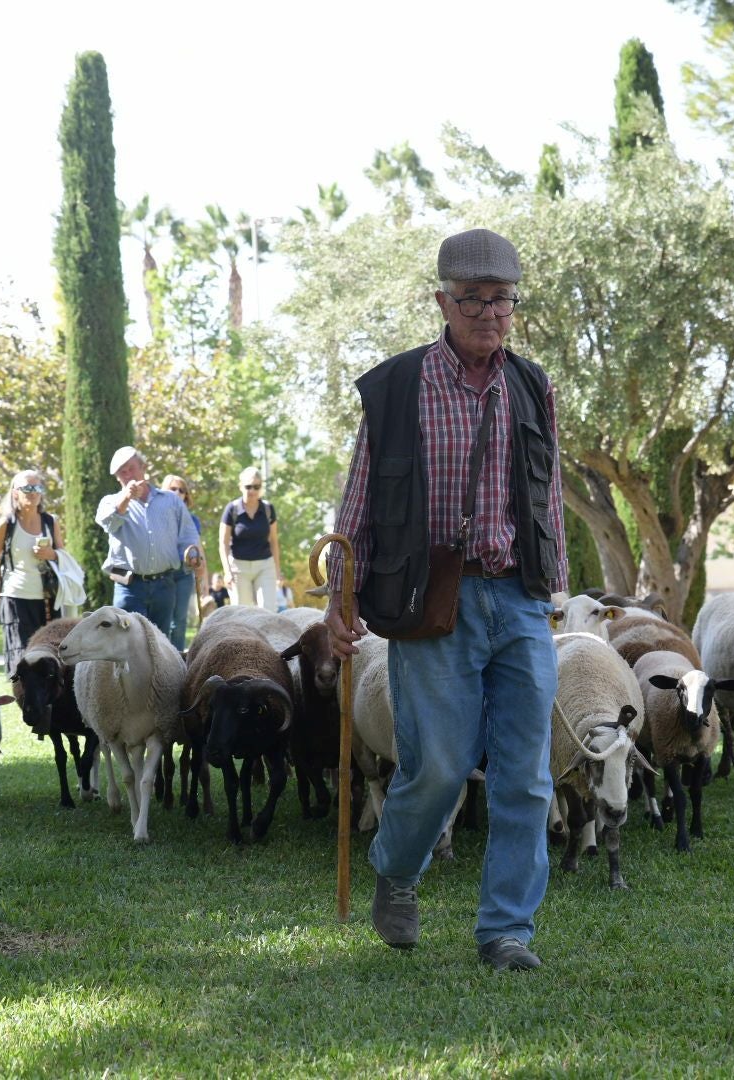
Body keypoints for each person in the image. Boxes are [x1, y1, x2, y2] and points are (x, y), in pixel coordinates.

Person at [324, 228, 567, 972]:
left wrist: (553, 588)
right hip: (430, 598)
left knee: (526, 775)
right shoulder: (398, 386)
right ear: (442, 301)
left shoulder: (532, 385)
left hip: (518, 597)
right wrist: (341, 598)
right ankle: (397, 868)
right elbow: (360, 499)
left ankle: (507, 929)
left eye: (502, 300)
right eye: (472, 300)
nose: (489, 313)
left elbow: (547, 493)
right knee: (437, 766)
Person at [96, 447, 201, 635]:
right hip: (129, 586)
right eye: (122, 472)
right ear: (117, 478)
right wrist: (126, 498)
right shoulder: (110, 502)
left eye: (131, 468)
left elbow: (188, 534)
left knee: (160, 641)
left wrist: (190, 554)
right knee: (126, 641)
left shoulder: (171, 500)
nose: (128, 475)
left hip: (164, 584)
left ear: (143, 467)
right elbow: (108, 523)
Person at [0, 470, 65, 682]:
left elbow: (63, 556)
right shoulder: (7, 524)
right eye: (27, 488)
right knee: (21, 657)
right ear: (15, 492)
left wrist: (51, 554)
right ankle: (24, 698)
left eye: (37, 488)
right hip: (16, 597)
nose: (33, 492)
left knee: (49, 656)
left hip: (47, 599)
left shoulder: (50, 522)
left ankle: (47, 700)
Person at [221, 466, 284, 609]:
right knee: (242, 612)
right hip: (238, 567)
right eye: (248, 487)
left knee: (268, 610)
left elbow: (274, 541)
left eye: (257, 487)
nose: (252, 491)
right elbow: (223, 543)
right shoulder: (232, 509)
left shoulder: (268, 509)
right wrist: (227, 572)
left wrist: (277, 571)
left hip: (264, 566)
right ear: (240, 486)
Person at [160, 473, 207, 652]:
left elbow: (197, 546)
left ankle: (178, 657)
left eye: (182, 490)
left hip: (184, 573)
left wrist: (202, 572)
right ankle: (161, 655)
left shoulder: (192, 519)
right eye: (173, 489)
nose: (178, 493)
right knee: (163, 619)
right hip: (162, 572)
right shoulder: (156, 516)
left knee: (179, 620)